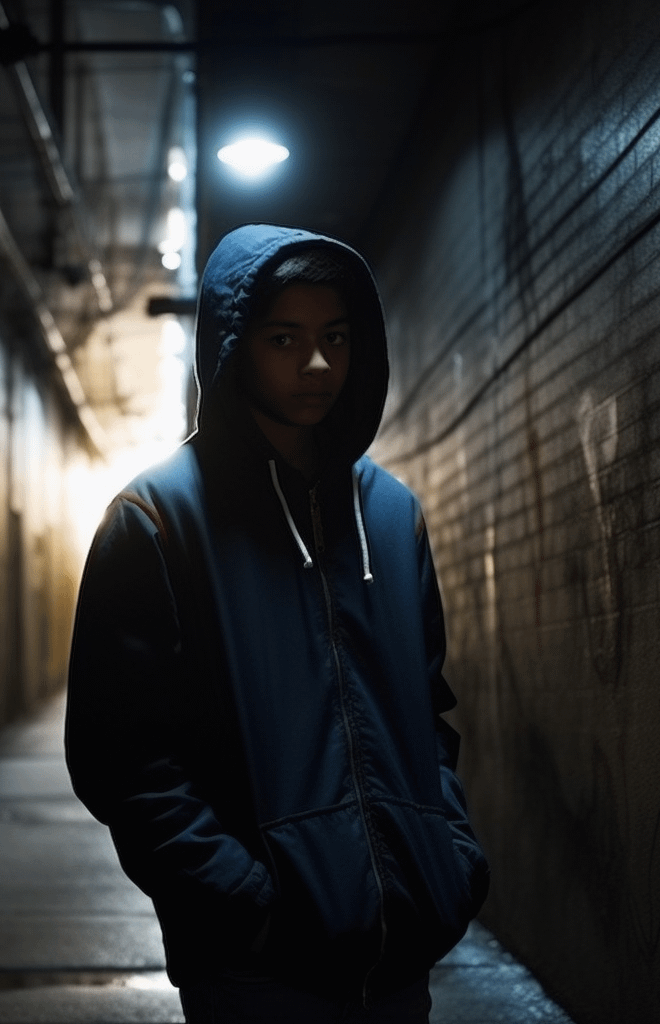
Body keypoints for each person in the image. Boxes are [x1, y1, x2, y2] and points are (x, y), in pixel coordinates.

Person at [65, 224, 489, 1023]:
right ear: (234, 347)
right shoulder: (157, 521)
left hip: (399, 957)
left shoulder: (394, 517)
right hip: (253, 973)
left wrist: (449, 858)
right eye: (284, 338)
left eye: (335, 337)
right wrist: (246, 902)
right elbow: (120, 757)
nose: (318, 363)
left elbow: (428, 715)